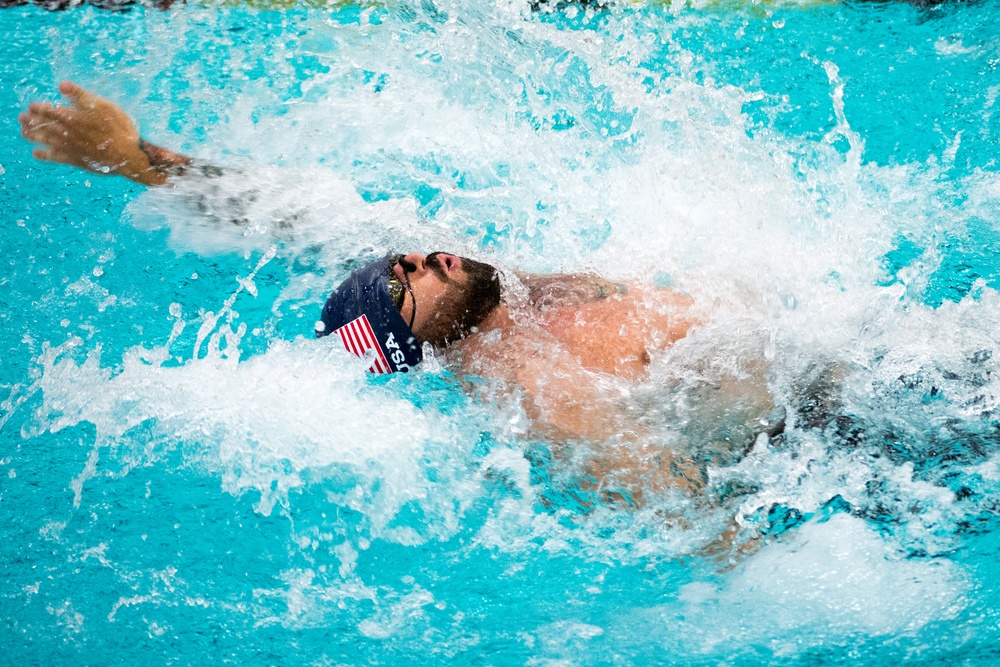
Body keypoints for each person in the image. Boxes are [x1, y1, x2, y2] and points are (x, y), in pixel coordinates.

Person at [19, 82, 773, 502]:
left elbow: (286, 214)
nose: (412, 258)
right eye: (401, 281)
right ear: (416, 339)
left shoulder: (502, 289)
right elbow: (668, 500)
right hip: (803, 427)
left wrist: (137, 158)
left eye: (399, 260)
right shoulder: (530, 378)